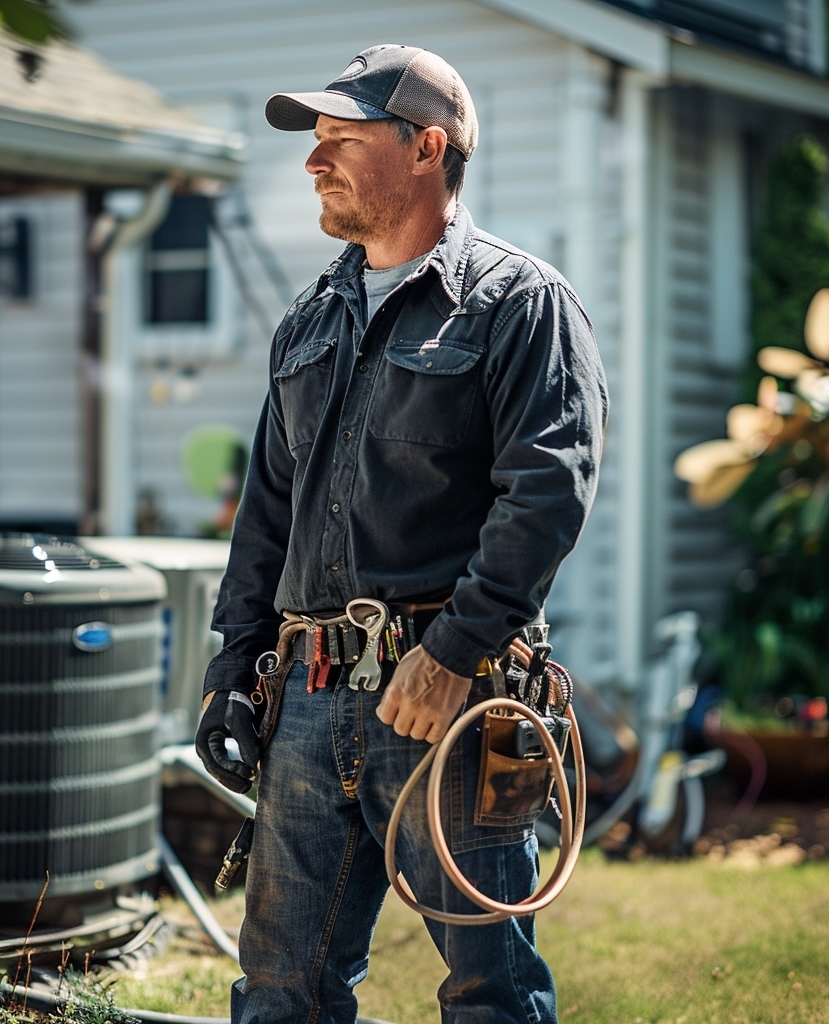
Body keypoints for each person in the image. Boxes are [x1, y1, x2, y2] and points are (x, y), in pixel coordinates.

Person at [195, 43, 607, 1024]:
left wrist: (456, 651)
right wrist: (233, 659)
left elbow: (546, 492)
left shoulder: (519, 304)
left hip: (447, 709)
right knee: (280, 991)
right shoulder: (309, 320)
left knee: (488, 993)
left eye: (340, 136)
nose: (313, 160)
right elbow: (267, 509)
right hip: (303, 704)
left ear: (427, 147)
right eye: (314, 140)